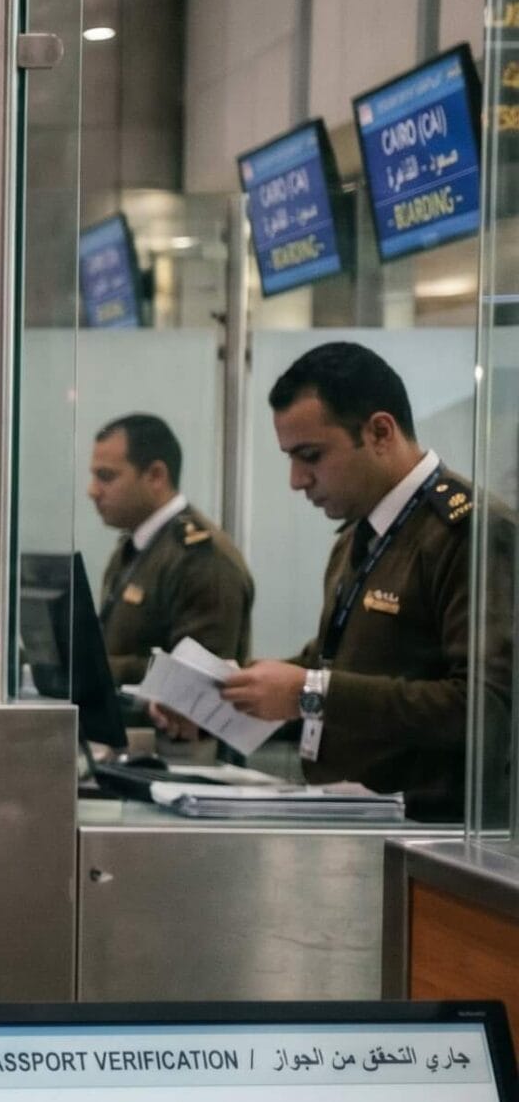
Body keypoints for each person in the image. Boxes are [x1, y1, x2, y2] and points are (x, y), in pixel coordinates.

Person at [201, 344, 490, 821]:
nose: (297, 480)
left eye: (310, 456)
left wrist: (311, 692)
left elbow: (483, 707)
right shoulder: (360, 535)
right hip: (351, 824)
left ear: (380, 432)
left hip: (430, 842)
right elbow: (333, 661)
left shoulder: (468, 535)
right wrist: (231, 691)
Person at [88, 414, 253, 685]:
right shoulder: (133, 548)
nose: (92, 491)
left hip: (167, 727)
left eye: (106, 477)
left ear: (156, 476)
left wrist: (98, 669)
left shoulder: (201, 559)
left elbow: (198, 681)